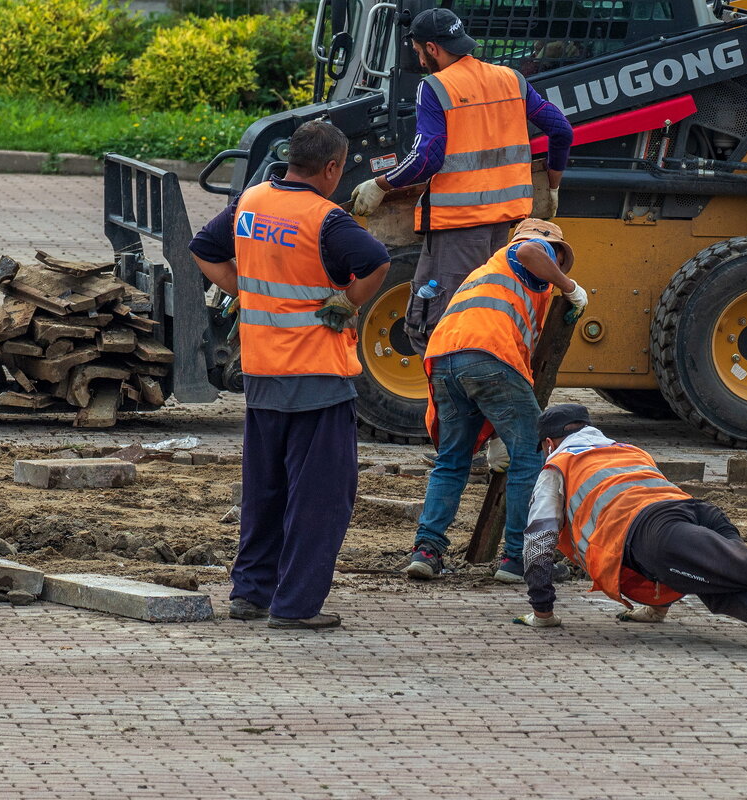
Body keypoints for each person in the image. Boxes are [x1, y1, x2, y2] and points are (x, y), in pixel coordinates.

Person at [189, 120, 390, 630]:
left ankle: (251, 593)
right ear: (330, 168)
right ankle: (297, 605)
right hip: (318, 378)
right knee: (320, 497)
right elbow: (377, 263)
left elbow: (203, 249)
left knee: (265, 490)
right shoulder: (327, 219)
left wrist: (247, 291)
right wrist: (346, 301)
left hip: (261, 373)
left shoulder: (252, 202)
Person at [513, 404, 747, 660]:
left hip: (654, 531)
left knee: (738, 567)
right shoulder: (625, 450)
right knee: (721, 588)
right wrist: (654, 607)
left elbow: (538, 542)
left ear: (548, 443)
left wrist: (542, 611)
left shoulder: (557, 465)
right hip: (695, 512)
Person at [350, 6, 574, 357]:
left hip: (457, 229)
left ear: (433, 48)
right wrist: (553, 184)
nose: (420, 60)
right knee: (486, 319)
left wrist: (381, 185)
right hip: (503, 229)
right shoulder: (511, 79)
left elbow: (427, 157)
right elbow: (561, 130)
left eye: (419, 51)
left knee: (437, 327)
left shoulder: (436, 88)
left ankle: (447, 408)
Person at [404, 219, 587, 583]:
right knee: (529, 455)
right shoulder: (528, 250)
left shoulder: (491, 274)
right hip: (487, 355)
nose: (556, 266)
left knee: (452, 461)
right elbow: (532, 251)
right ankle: (519, 558)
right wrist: (570, 286)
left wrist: (499, 432)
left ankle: (426, 551)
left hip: (444, 358)